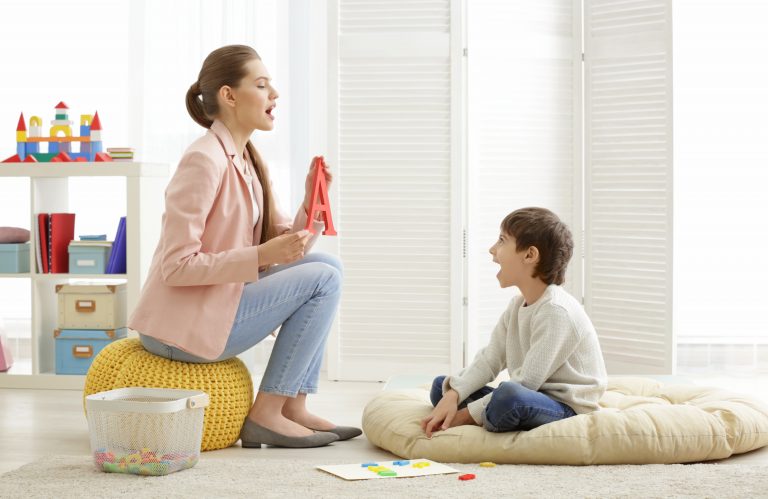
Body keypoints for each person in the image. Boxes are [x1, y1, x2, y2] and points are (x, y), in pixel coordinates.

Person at [128, 45, 360, 448]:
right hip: (178, 328)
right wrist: (259, 257)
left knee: (328, 266)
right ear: (229, 95)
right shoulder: (203, 160)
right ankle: (268, 414)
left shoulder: (248, 158)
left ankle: (292, 405)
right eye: (262, 84)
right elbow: (177, 266)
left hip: (219, 303)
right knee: (323, 277)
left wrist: (312, 200)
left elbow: (287, 244)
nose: (275, 95)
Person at [421, 207, 607, 437]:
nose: (492, 250)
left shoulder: (557, 311)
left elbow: (526, 382)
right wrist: (453, 395)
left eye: (501, 240)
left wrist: (460, 417)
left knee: (509, 396)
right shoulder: (517, 306)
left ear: (529, 255)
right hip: (531, 396)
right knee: (443, 386)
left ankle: (486, 417)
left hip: (566, 407)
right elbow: (490, 360)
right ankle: (487, 415)